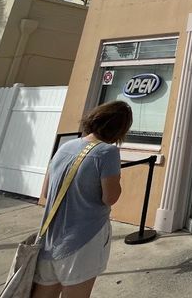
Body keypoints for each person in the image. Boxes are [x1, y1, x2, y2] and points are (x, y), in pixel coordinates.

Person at [32, 101, 133, 298]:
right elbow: (110, 197)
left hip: (50, 239)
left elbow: (45, 191)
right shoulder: (107, 152)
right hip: (84, 240)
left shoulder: (65, 147)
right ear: (120, 129)